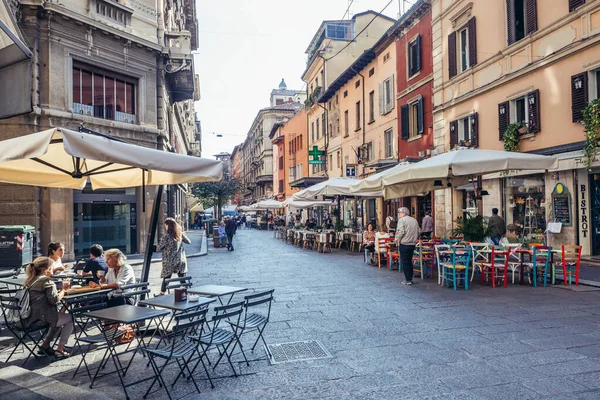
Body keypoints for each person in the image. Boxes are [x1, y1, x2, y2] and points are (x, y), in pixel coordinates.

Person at [25, 257, 73, 359]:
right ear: (44, 270)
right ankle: (60, 349)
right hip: (40, 319)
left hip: (28, 318)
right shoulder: (46, 280)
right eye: (51, 268)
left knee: (59, 317)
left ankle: (45, 344)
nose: (53, 270)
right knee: (70, 318)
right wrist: (63, 291)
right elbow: (54, 300)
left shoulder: (30, 279)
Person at [156, 218, 191, 295]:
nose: (165, 226)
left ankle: (162, 293)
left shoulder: (166, 236)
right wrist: (182, 233)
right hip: (179, 259)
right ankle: (187, 292)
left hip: (169, 260)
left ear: (168, 225)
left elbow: (159, 248)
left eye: (165, 225)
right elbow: (189, 242)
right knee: (182, 278)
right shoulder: (179, 234)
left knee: (166, 278)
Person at [395, 207, 420, 285]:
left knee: (405, 262)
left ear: (403, 213)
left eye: (400, 213)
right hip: (412, 243)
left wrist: (398, 240)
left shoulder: (402, 220)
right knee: (409, 261)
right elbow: (419, 231)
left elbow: (401, 231)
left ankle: (408, 279)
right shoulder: (414, 220)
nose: (399, 215)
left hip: (404, 243)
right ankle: (410, 278)